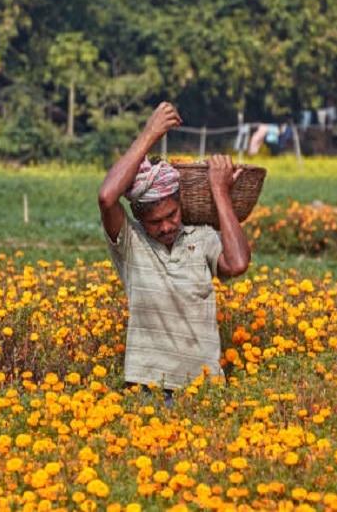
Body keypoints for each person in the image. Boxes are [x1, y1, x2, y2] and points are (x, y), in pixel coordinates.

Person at [98, 102, 251, 403]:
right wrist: (150, 134)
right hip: (148, 390)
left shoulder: (202, 236)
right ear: (139, 217)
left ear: (181, 205)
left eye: (172, 215)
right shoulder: (131, 243)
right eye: (155, 222)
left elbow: (238, 263)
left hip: (204, 389)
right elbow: (106, 197)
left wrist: (219, 191)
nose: (167, 226)